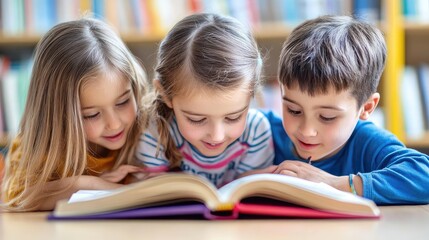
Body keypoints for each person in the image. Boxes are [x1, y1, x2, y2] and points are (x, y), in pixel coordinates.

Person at [263, 15, 429, 204]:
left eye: (327, 117)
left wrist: (332, 184)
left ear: (366, 107)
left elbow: (424, 175)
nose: (306, 131)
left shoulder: (366, 142)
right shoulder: (262, 130)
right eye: (293, 110)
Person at [1, 18, 151, 211]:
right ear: (57, 116)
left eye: (122, 102)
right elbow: (18, 197)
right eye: (92, 115)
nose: (114, 124)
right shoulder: (43, 146)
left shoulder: (148, 124)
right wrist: (87, 184)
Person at [135, 13, 275, 187]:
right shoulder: (154, 134)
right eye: (197, 119)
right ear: (165, 95)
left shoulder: (256, 132)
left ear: (252, 95)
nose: (216, 136)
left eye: (233, 118)